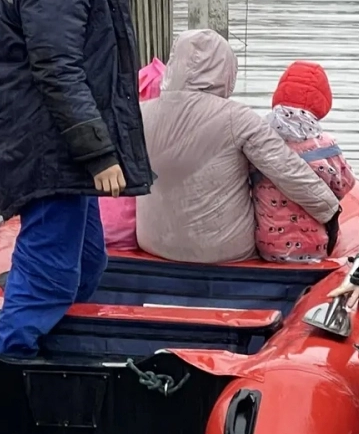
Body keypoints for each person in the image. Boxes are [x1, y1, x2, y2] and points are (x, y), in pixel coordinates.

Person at [0, 0, 153, 358]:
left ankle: (54, 346)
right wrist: (99, 153)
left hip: (53, 139)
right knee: (54, 271)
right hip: (48, 144)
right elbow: (57, 66)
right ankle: (13, 360)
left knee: (88, 262)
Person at [137, 29, 342, 264]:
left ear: (174, 64)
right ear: (226, 72)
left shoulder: (141, 114)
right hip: (222, 250)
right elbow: (287, 171)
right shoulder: (237, 118)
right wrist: (329, 210)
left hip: (151, 242)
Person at [252, 61, 357, 262]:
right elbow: (344, 186)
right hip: (316, 248)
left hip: (267, 247)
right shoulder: (326, 146)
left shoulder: (261, 141)